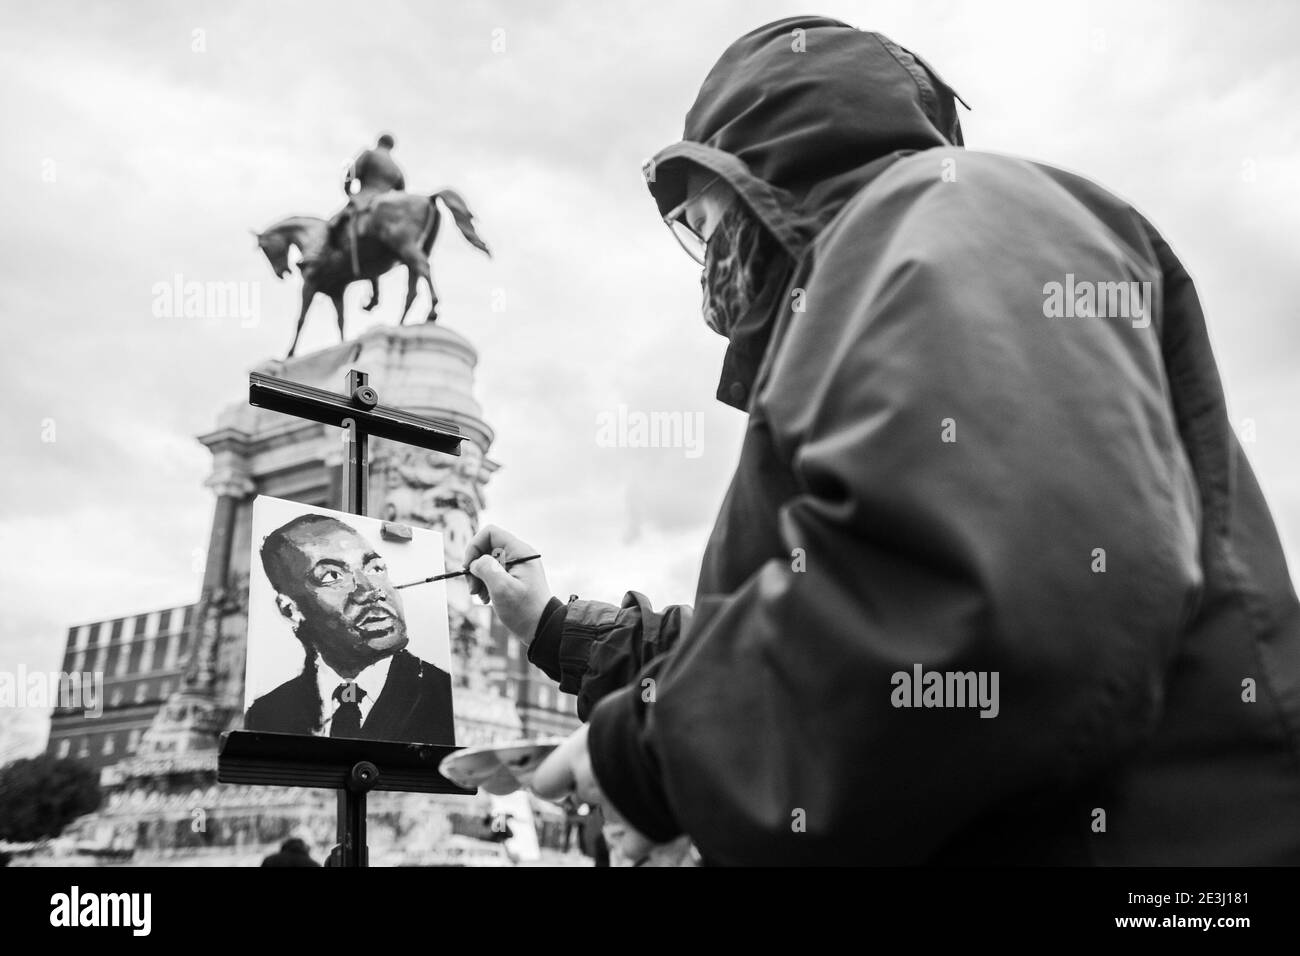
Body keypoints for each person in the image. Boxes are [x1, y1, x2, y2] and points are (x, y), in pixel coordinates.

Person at [465, 16, 1300, 865]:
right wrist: (561, 630)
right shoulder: (899, 262)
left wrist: (654, 753)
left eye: (701, 217)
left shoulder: (948, 216)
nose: (703, 253)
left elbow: (981, 598)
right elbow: (821, 610)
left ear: (755, 174)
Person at [244, 513, 454, 744]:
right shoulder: (267, 715)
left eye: (375, 569)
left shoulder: (443, 699)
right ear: (290, 609)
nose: (371, 591)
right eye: (332, 576)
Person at [326, 132, 407, 252]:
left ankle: (319, 256)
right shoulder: (397, 169)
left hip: (363, 198)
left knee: (332, 224)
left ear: (379, 141)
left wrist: (348, 190)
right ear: (391, 147)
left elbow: (352, 173)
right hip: (385, 205)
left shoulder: (369, 154)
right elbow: (402, 196)